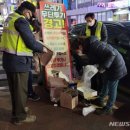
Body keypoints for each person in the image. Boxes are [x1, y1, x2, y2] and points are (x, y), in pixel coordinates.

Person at [0, 1, 47, 125]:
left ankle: (18, 110)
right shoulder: (21, 21)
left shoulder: (10, 17)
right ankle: (20, 117)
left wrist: (34, 23)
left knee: (15, 90)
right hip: (18, 62)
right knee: (20, 91)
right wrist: (42, 48)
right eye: (31, 15)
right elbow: (30, 42)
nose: (30, 17)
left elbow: (23, 34)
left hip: (9, 61)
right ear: (27, 11)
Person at [81, 36, 127, 115]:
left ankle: (108, 108)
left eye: (79, 48)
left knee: (112, 87)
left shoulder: (95, 46)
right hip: (109, 67)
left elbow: (112, 54)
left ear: (81, 44)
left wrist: (103, 67)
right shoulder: (91, 47)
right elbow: (95, 58)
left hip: (116, 67)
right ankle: (100, 100)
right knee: (105, 82)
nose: (79, 50)